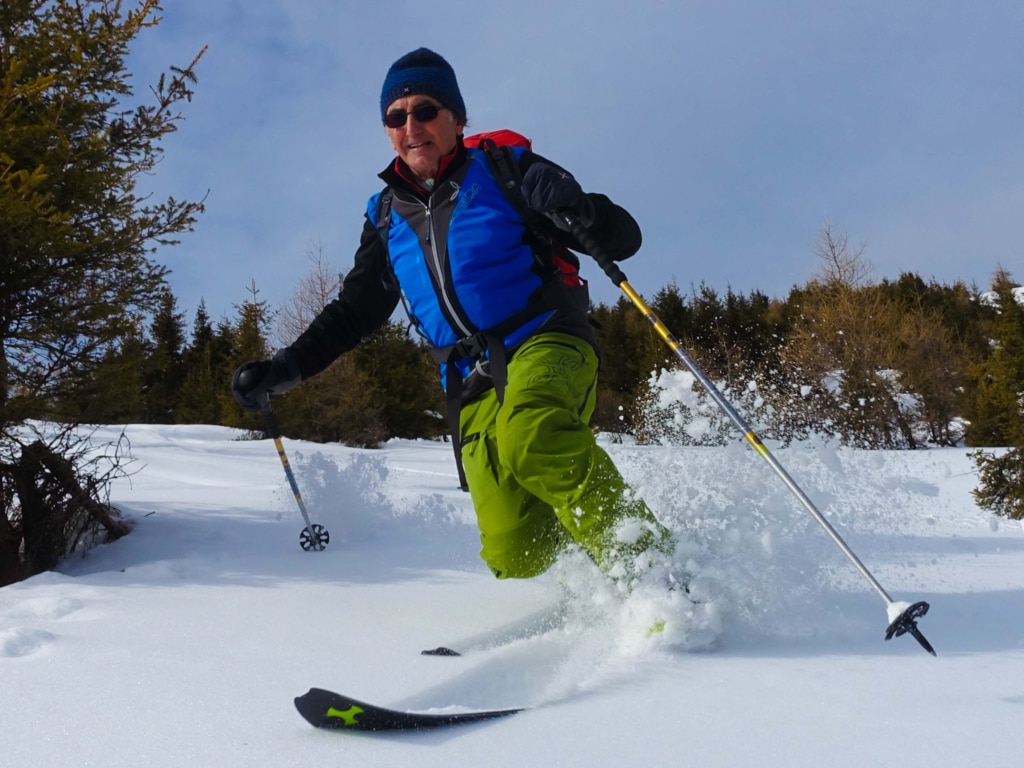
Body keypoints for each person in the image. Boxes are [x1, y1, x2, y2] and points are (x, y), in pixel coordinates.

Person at [233, 47, 674, 590]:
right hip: (470, 381)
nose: (411, 125)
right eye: (396, 117)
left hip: (545, 339)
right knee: (516, 555)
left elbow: (623, 239)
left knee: (531, 433)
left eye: (426, 110)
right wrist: (286, 368)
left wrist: (577, 205)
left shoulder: (504, 171)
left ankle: (659, 577)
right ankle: (595, 557)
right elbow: (355, 311)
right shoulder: (386, 214)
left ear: (457, 119)